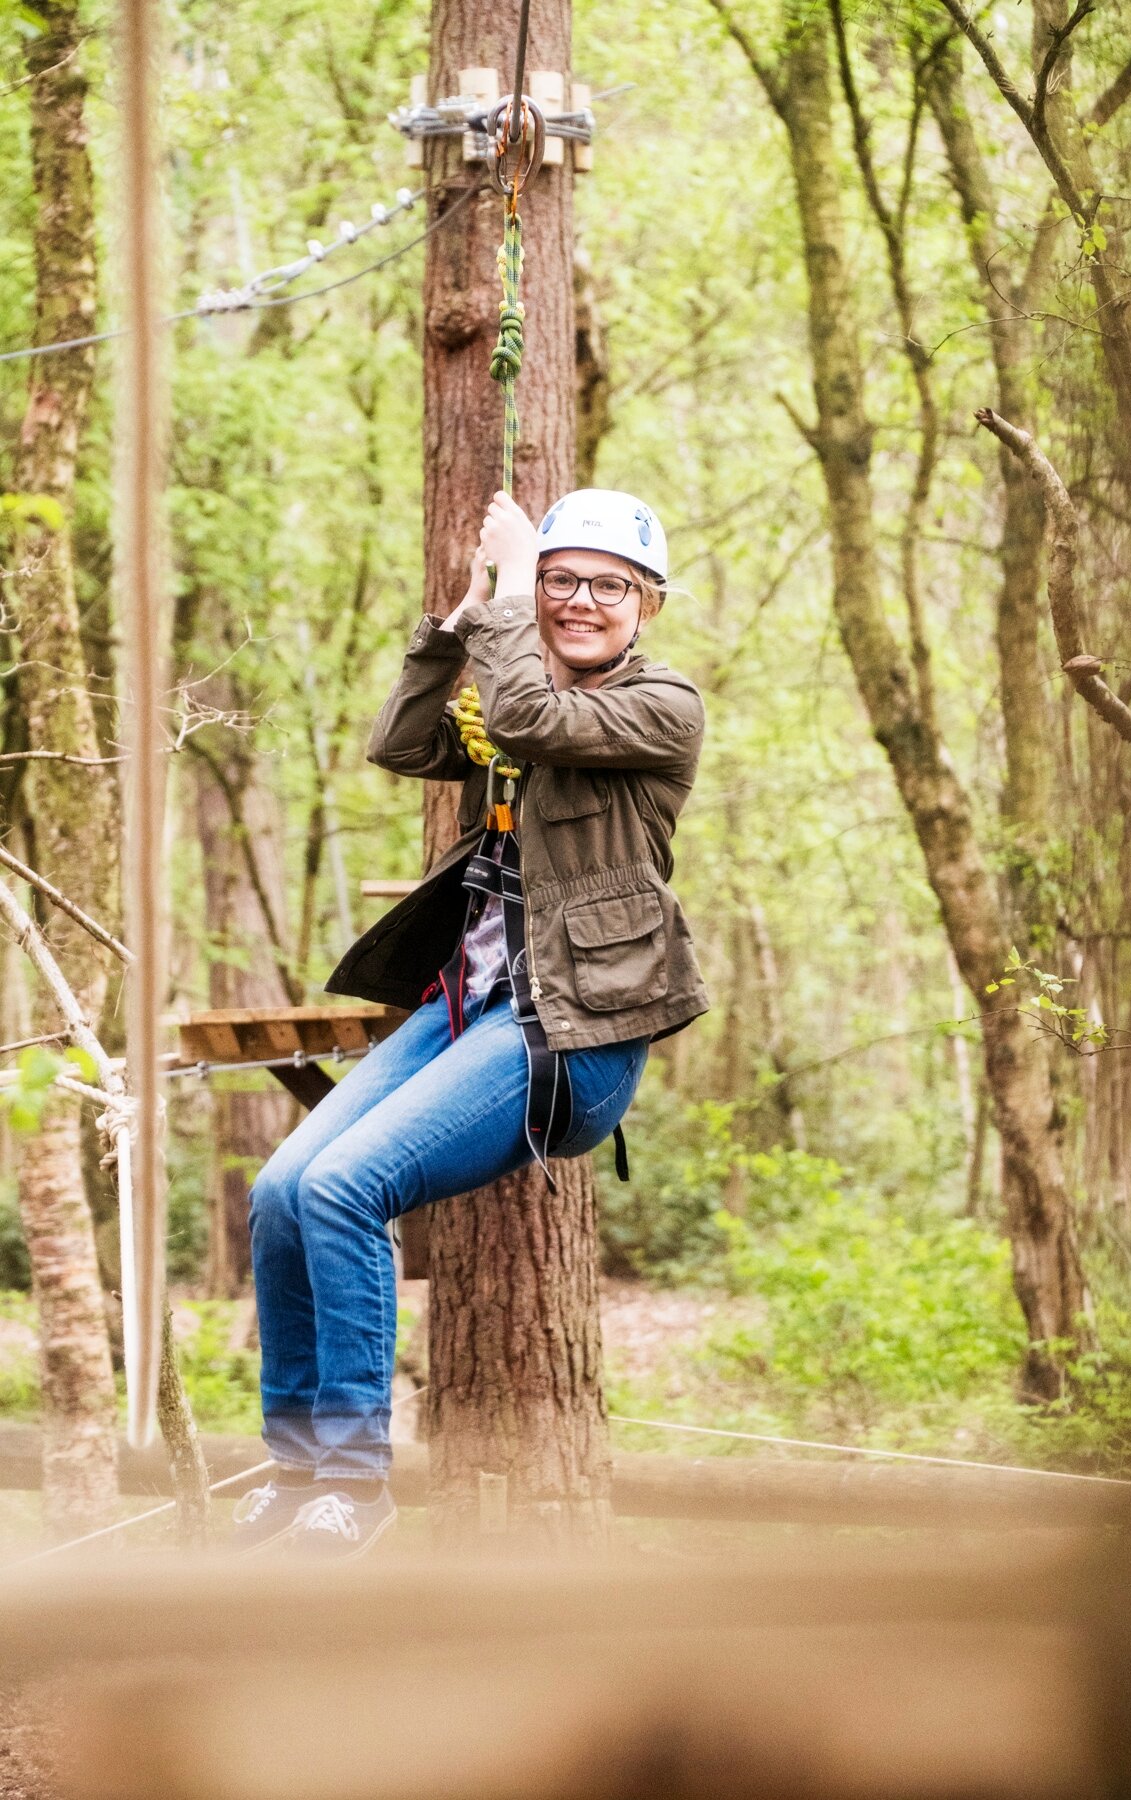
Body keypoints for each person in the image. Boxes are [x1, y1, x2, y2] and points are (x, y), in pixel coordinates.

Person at [236, 487, 708, 1556]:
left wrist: (507, 593)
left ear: (649, 606)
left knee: (347, 1191)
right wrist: (454, 628)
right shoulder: (508, 676)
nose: (579, 600)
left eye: (607, 586)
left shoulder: (659, 706)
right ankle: (300, 1462)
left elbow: (537, 720)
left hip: (567, 1037)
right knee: (281, 1192)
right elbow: (404, 745)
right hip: (468, 1007)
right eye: (560, 580)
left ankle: (353, 1492)